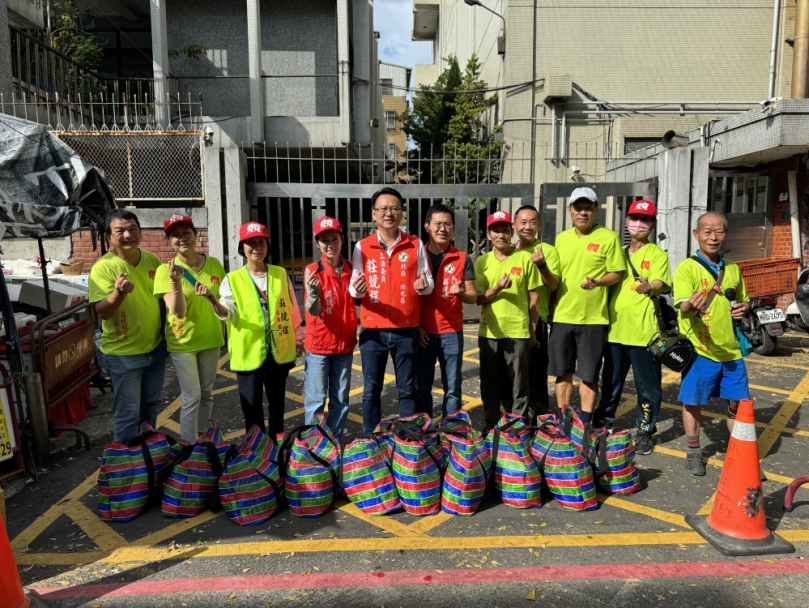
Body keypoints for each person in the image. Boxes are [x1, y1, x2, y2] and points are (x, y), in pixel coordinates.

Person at [349, 187, 434, 435]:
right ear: (374, 214)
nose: (389, 213)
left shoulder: (415, 244)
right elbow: (354, 286)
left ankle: (408, 440)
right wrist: (357, 290)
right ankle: (371, 439)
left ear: (402, 213)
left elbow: (428, 281)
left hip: (406, 329)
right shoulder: (362, 247)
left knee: (407, 390)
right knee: (371, 391)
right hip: (373, 330)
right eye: (384, 208)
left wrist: (424, 286)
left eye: (395, 208)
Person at [209, 221, 303, 436]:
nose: (257, 247)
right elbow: (228, 313)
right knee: (251, 406)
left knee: (277, 403)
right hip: (248, 350)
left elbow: (292, 309)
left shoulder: (280, 274)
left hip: (278, 350)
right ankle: (256, 447)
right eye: (251, 243)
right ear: (242, 247)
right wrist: (214, 302)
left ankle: (276, 443)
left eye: (261, 242)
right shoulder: (232, 279)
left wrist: (298, 339)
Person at [674, 212, 750, 476]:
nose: (713, 237)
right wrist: (690, 306)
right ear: (696, 234)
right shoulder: (687, 268)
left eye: (719, 231)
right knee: (693, 402)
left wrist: (743, 307)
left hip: (731, 352)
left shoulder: (733, 268)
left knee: (739, 405)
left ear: (725, 234)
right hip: (700, 350)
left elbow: (744, 299)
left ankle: (742, 455)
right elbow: (682, 304)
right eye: (707, 231)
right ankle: (694, 452)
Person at [593, 200, 670, 455]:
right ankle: (603, 422)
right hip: (615, 331)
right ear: (626, 221)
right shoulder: (618, 252)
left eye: (645, 220)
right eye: (635, 218)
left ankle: (645, 429)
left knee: (647, 386)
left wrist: (651, 287)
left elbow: (659, 282)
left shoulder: (656, 254)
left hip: (644, 334)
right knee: (610, 382)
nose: (639, 224)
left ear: (653, 224)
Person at [548, 187, 624, 426]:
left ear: (596, 210)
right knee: (562, 373)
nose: (583, 213)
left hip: (593, 319)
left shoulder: (609, 238)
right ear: (569, 210)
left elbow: (617, 272)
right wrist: (550, 309)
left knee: (589, 375)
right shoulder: (561, 239)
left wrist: (598, 282)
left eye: (588, 208)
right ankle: (563, 421)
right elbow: (556, 278)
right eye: (578, 208)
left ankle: (585, 423)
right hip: (562, 316)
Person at [89, 209, 167, 444]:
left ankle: (148, 454)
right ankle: (124, 461)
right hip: (123, 354)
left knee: (151, 405)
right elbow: (103, 312)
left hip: (155, 349)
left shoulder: (152, 260)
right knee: (128, 413)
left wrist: (163, 332)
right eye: (120, 231)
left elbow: (160, 300)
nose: (127, 235)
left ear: (141, 232)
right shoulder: (103, 267)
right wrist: (119, 293)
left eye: (132, 229)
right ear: (108, 236)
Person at [153, 214, 226, 444]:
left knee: (206, 394)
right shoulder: (165, 271)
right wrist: (175, 282)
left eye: (186, 232)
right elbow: (179, 312)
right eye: (175, 235)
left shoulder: (214, 264)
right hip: (183, 342)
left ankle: (203, 442)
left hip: (211, 338)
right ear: (169, 241)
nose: (182, 238)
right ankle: (187, 448)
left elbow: (225, 301)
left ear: (196, 235)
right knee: (192, 396)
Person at [474, 211, 541, 434]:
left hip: (518, 330)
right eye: (496, 231)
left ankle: (518, 423)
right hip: (489, 330)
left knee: (519, 382)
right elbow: (478, 298)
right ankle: (492, 420)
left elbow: (534, 296)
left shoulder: (525, 258)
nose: (501, 235)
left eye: (505, 230)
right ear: (488, 235)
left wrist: (532, 329)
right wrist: (497, 288)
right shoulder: (482, 262)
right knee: (490, 381)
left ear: (512, 232)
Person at [416, 203, 477, 419]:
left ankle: (451, 430)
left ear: (453, 229)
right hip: (423, 332)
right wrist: (417, 326)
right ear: (427, 226)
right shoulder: (416, 257)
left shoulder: (462, 258)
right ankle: (423, 430)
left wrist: (461, 294)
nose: (443, 228)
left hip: (451, 331)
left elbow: (473, 295)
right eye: (438, 224)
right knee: (422, 387)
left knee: (452, 389)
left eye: (448, 224)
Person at [302, 216, 357, 440]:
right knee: (316, 400)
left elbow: (361, 299)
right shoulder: (312, 271)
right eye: (324, 240)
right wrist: (314, 293)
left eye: (334, 239)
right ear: (318, 244)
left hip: (345, 344)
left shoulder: (353, 269)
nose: (330, 244)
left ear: (342, 240)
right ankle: (313, 444)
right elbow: (312, 311)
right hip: (319, 346)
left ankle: (334, 441)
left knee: (341, 399)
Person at [511, 204, 561, 419]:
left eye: (532, 222)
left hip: (535, 319)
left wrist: (541, 265)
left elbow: (553, 285)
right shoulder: (509, 250)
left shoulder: (548, 251)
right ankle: (516, 416)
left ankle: (539, 417)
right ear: (514, 225)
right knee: (513, 372)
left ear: (538, 225)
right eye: (523, 222)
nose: (527, 227)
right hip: (510, 320)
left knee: (536, 373)